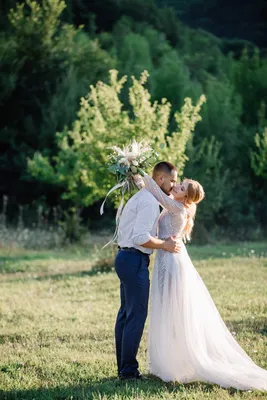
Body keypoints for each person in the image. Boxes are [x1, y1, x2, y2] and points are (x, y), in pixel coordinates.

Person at [134, 173, 267, 391]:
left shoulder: (178, 208)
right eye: (179, 184)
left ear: (186, 198)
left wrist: (139, 173)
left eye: (182, 187)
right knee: (166, 309)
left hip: (172, 262)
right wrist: (141, 182)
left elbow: (157, 193)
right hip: (164, 259)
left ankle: (178, 364)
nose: (176, 186)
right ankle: (169, 361)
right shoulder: (173, 205)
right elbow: (158, 196)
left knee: (172, 309)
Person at [114, 161, 181, 380]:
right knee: (136, 315)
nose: (174, 185)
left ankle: (124, 368)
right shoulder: (150, 202)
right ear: (160, 179)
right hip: (133, 260)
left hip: (126, 258)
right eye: (171, 180)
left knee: (126, 314)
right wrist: (165, 245)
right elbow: (140, 237)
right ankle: (129, 371)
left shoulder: (143, 196)